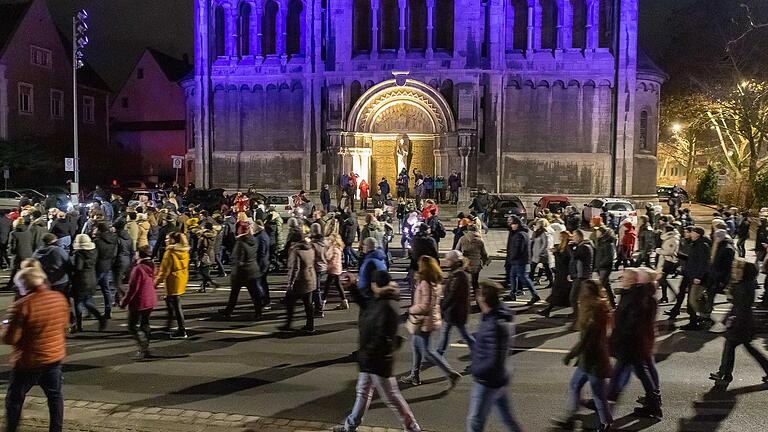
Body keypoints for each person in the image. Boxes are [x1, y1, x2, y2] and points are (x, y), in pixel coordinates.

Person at [333, 270, 420, 432]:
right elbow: (366, 304)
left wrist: (366, 354)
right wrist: (352, 287)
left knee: (391, 397)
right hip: (371, 360)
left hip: (378, 362)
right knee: (363, 392)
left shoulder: (387, 306)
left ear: (375, 285)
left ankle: (412, 427)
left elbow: (382, 339)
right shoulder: (381, 300)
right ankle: (349, 426)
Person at [1, 267, 70, 432]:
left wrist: (3, 330)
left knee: (15, 399)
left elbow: (11, 338)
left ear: (23, 286)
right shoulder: (59, 298)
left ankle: (11, 428)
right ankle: (56, 429)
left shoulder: (22, 306)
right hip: (53, 357)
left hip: (29, 361)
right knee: (54, 397)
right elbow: (64, 325)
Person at [552, 280, 613, 431]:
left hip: (594, 361)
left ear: (588, 292)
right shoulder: (591, 306)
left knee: (598, 395)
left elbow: (588, 339)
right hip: (588, 360)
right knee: (575, 385)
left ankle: (606, 423)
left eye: (583, 290)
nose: (580, 292)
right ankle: (571, 418)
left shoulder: (595, 309)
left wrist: (572, 354)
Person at [466, 280, 522, 432]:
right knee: (506, 417)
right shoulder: (492, 316)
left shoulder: (495, 324)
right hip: (499, 377)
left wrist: (476, 369)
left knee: (474, 420)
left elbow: (495, 358)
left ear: (483, 298)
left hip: (488, 380)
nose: (476, 297)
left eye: (478, 294)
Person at [607, 268, 662, 418]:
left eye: (624, 277)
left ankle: (608, 401)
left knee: (633, 371)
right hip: (635, 342)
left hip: (633, 342)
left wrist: (620, 337)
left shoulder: (642, 297)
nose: (621, 279)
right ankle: (654, 404)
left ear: (637, 280)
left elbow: (634, 323)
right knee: (642, 371)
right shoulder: (639, 294)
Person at [401, 256, 462, 387]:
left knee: (428, 352)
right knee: (416, 346)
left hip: (424, 320)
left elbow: (425, 305)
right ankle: (414, 375)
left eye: (420, 264)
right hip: (427, 319)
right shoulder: (435, 281)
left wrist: (412, 309)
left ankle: (451, 373)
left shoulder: (425, 283)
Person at [709, 260, 768, 387]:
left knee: (730, 348)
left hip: (741, 324)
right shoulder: (746, 283)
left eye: (737, 268)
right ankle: (724, 373)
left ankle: (724, 374)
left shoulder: (743, 287)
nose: (734, 270)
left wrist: (731, 321)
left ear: (744, 271)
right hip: (744, 323)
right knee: (747, 350)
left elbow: (739, 307)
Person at [667, 226, 711, 330]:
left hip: (694, 276)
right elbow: (692, 259)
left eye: (692, 232)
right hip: (689, 274)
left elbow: (703, 263)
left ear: (697, 234)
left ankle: (696, 321)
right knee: (687, 296)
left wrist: (698, 277)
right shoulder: (695, 244)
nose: (690, 234)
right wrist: (679, 255)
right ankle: (693, 320)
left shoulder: (702, 245)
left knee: (692, 299)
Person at [220, 221, 264, 320]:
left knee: (234, 294)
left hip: (241, 273)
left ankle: (228, 312)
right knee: (254, 294)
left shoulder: (240, 243)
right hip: (253, 270)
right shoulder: (254, 240)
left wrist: (234, 271)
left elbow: (238, 259)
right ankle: (259, 313)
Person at [120, 246, 157, 360]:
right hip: (150, 298)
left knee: (132, 325)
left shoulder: (138, 269)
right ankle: (145, 348)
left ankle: (143, 347)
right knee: (145, 323)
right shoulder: (152, 265)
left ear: (139, 254)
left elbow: (133, 288)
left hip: (140, 300)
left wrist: (124, 302)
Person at [437, 250, 474, 358]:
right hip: (455, 310)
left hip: (456, 310)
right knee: (447, 332)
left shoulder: (459, 275)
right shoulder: (457, 273)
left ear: (453, 261)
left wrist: (443, 306)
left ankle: (477, 350)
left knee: (464, 334)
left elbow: (452, 294)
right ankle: (439, 352)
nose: (446, 261)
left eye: (448, 260)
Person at [155, 232, 190, 339]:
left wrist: (155, 283)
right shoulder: (184, 251)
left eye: (167, 238)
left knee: (176, 305)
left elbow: (164, 271)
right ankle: (170, 325)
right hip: (181, 279)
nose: (166, 240)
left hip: (172, 281)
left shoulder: (170, 252)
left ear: (173, 240)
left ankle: (181, 330)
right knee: (172, 302)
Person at [280, 236, 317, 333]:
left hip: (300, 281)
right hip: (311, 277)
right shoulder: (310, 248)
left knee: (290, 303)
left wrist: (290, 283)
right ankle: (310, 325)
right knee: (308, 304)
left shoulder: (296, 251)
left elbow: (295, 268)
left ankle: (288, 324)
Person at [71, 234, 107, 332]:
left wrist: (71, 266)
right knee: (86, 301)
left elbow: (78, 268)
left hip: (81, 280)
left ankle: (78, 325)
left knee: (78, 302)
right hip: (91, 277)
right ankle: (100, 318)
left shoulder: (79, 254)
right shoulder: (94, 252)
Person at [504, 215, 540, 305]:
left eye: (512, 223)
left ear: (517, 224)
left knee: (524, 278)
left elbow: (518, 248)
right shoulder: (517, 233)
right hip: (516, 260)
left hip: (520, 261)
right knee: (513, 276)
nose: (511, 225)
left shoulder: (520, 234)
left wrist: (512, 257)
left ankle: (535, 295)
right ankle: (512, 293)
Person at [540, 231, 573, 317]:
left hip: (564, 274)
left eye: (561, 236)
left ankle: (548, 310)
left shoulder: (568, 248)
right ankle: (548, 310)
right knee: (560, 293)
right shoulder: (562, 246)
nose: (559, 238)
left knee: (559, 292)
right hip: (560, 273)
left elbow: (565, 260)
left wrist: (556, 253)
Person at [457, 224, 490, 298]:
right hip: (476, 264)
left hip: (466, 264)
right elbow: (484, 253)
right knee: (475, 282)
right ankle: (478, 298)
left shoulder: (462, 239)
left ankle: (464, 297)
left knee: (465, 281)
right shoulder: (480, 241)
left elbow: (457, 250)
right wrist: (485, 261)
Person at [355, 238, 388, 310]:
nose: (363, 247)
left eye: (364, 245)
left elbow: (370, 280)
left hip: (369, 295)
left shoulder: (370, 262)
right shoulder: (380, 259)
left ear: (368, 246)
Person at [93, 222, 117, 319]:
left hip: (98, 267)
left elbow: (94, 255)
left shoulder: (97, 241)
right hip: (107, 266)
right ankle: (108, 310)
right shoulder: (113, 239)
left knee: (89, 290)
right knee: (106, 289)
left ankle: (89, 310)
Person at [593, 226, 617, 308]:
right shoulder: (601, 241)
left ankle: (600, 304)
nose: (596, 233)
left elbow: (609, 257)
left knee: (601, 285)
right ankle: (612, 302)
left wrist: (600, 264)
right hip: (601, 267)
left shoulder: (608, 243)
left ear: (603, 233)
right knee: (606, 284)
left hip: (605, 268)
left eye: (598, 231)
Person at [324, 233, 349, 310]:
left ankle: (322, 301)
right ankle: (344, 301)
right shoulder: (339, 247)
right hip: (337, 268)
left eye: (330, 239)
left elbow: (328, 257)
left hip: (333, 269)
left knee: (327, 286)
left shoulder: (333, 248)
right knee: (337, 284)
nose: (329, 240)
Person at [112, 220, 135, 305]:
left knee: (117, 283)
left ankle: (128, 298)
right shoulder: (128, 237)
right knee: (119, 280)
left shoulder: (116, 237)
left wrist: (112, 262)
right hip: (127, 260)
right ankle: (117, 299)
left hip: (119, 261)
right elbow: (132, 251)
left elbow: (114, 252)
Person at [656, 225, 680, 303]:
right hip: (664, 260)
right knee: (661, 279)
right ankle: (664, 297)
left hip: (668, 261)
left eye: (664, 230)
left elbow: (670, 252)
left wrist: (659, 251)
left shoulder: (672, 240)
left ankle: (673, 294)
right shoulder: (668, 238)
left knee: (662, 279)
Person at [530, 219, 554, 289]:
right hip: (536, 253)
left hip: (542, 254)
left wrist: (540, 252)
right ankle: (530, 281)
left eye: (538, 223)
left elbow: (545, 243)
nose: (536, 225)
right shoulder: (537, 232)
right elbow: (533, 239)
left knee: (546, 268)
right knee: (533, 268)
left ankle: (551, 282)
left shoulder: (544, 232)